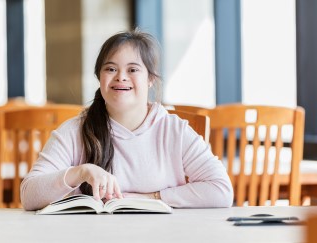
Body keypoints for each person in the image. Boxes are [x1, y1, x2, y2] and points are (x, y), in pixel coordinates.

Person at [20, 28, 233, 211]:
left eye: (132, 69)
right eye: (111, 69)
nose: (121, 77)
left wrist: (152, 198)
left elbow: (221, 190)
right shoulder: (76, 130)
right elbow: (28, 195)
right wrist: (80, 172)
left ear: (150, 79)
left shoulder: (174, 130)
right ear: (99, 77)